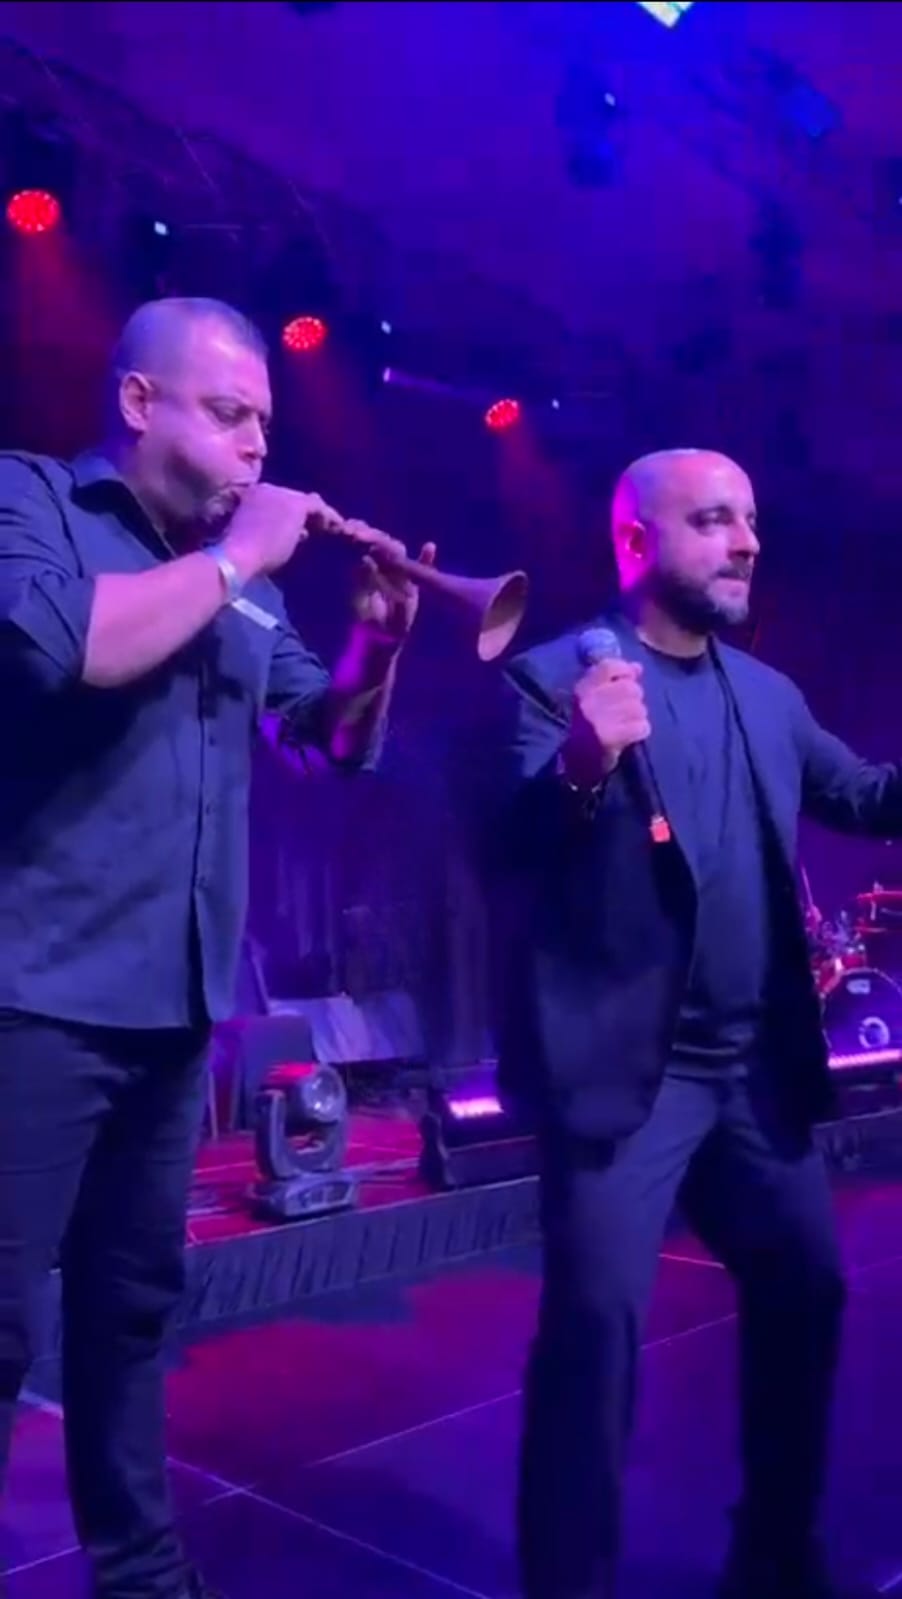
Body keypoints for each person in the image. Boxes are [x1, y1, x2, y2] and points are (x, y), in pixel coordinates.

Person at [0, 297, 433, 1599]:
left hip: (172, 1005)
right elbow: (66, 647)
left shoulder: (238, 587)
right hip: (33, 995)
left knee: (129, 1316)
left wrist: (374, 643)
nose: (257, 445)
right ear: (141, 403)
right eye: (229, 412)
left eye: (266, 422)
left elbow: (329, 740)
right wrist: (244, 556)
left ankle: (143, 1579)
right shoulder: (33, 503)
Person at [485, 448, 896, 1599]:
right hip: (627, 1072)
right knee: (595, 1332)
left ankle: (774, 1555)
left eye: (750, 520)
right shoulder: (550, 675)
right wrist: (580, 761)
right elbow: (502, 854)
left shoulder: (765, 696)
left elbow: (860, 796)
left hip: (748, 1071)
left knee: (806, 1290)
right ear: (633, 541)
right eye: (711, 520)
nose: (745, 540)